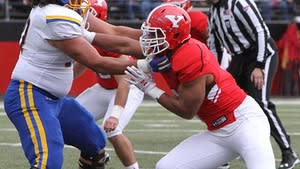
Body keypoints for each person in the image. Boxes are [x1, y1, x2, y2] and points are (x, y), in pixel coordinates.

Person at [3, 0, 168, 168]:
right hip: (31, 96)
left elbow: (115, 36)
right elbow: (97, 62)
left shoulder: (62, 11)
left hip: (55, 100)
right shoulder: (53, 16)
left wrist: (161, 45)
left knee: (94, 143)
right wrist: (146, 64)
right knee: (48, 161)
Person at [125, 4, 275, 169]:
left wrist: (149, 87)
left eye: (156, 34)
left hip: (245, 123)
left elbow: (186, 111)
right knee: (166, 166)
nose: (149, 39)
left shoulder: (190, 54)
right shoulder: (170, 53)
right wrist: (90, 36)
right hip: (219, 131)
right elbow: (118, 45)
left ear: (173, 34)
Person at [207, 0, 299, 169]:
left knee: (261, 102)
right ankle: (224, 154)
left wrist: (259, 64)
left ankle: (288, 152)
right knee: (226, 102)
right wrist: (216, 73)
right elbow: (215, 46)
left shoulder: (238, 3)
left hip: (260, 53)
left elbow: (261, 31)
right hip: (239, 58)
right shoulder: (214, 11)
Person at [75, 1, 144, 169]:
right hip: (104, 89)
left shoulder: (108, 41)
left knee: (113, 130)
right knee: (69, 118)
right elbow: (81, 65)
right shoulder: (86, 37)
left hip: (128, 88)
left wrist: (115, 113)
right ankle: (97, 153)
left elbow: (125, 81)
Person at [276, 16, 300, 96]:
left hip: (290, 60)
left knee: (290, 78)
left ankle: (289, 94)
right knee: (292, 78)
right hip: (292, 60)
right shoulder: (293, 33)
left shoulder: (289, 33)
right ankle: (291, 94)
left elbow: (280, 45)